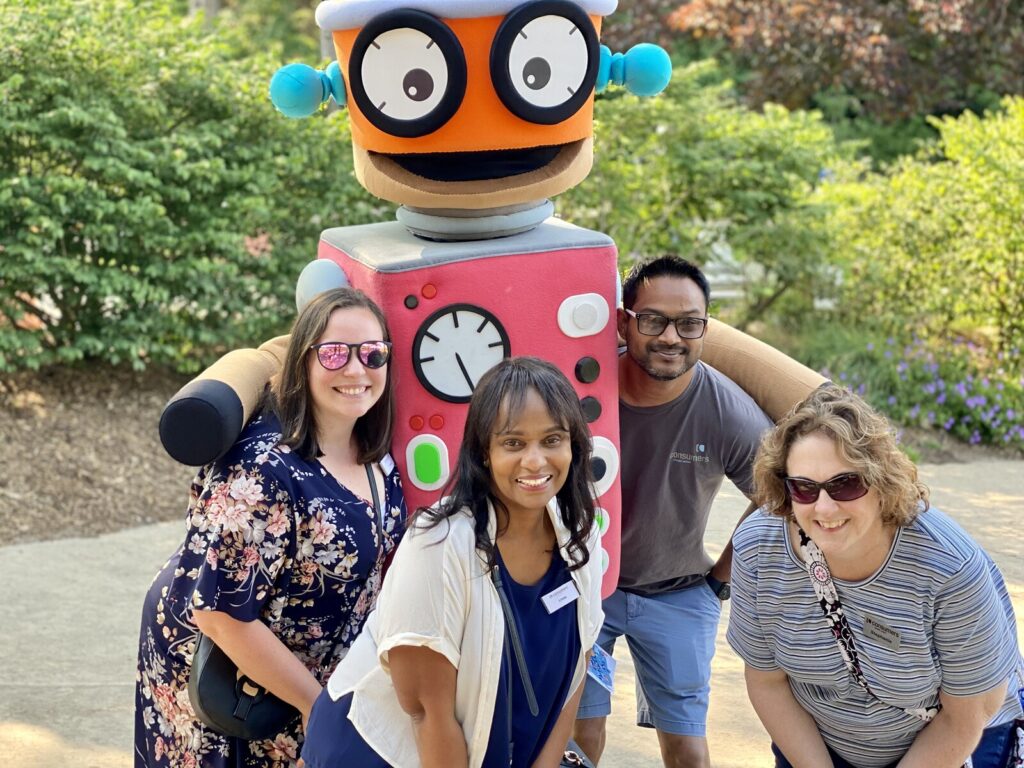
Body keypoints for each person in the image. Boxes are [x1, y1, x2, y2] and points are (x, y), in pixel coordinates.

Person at [135, 287, 406, 768]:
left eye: (372, 353)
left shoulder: (377, 456)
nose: (356, 369)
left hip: (308, 681)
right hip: (229, 682)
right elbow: (220, 614)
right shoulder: (263, 472)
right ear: (303, 361)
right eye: (334, 353)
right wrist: (316, 709)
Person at [300, 356, 604, 768]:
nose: (535, 461)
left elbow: (577, 672)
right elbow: (426, 712)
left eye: (552, 440)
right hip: (386, 752)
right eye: (513, 443)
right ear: (483, 452)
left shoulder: (580, 538)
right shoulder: (439, 541)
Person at [728, 384, 1023, 768]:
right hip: (819, 742)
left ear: (880, 482)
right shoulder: (756, 549)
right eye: (804, 487)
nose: (824, 507)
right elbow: (767, 682)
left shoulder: (949, 568)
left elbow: (967, 715)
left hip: (955, 745)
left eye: (845, 484)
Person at [574, 255, 794, 768]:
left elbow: (778, 496)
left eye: (688, 323)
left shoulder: (726, 409)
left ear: (705, 328)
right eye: (653, 320)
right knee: (580, 736)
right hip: (585, 591)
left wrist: (719, 581)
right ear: (625, 321)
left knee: (686, 751)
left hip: (678, 594)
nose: (671, 337)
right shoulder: (583, 387)